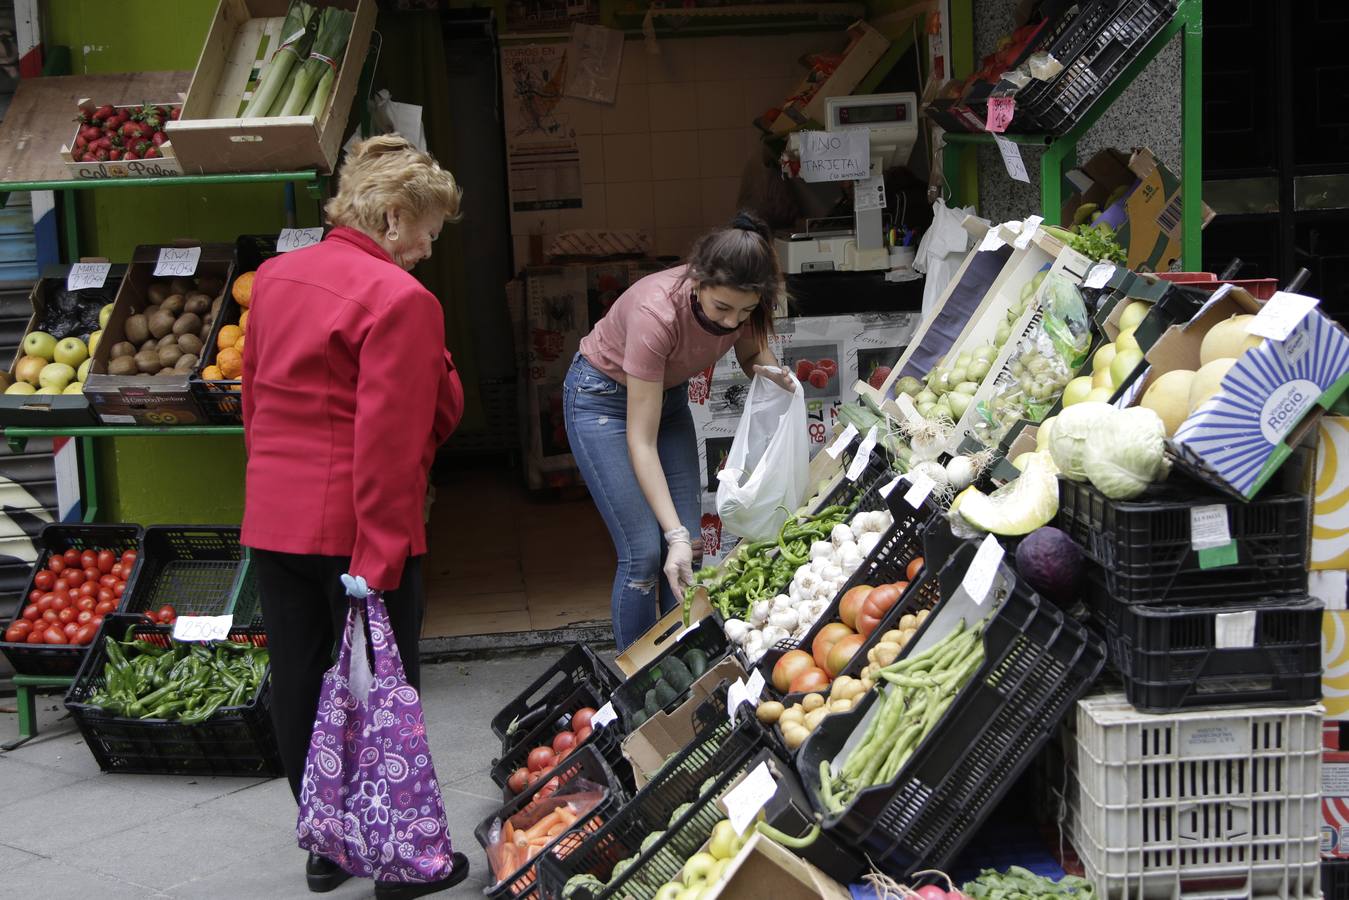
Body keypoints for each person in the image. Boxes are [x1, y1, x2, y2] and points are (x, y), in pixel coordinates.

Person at [241, 135, 470, 898]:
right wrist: (380, 553)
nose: (428, 251)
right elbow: (391, 440)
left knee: (302, 677)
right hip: (356, 526)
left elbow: (254, 401)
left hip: (276, 515)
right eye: (429, 232)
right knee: (377, 689)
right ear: (397, 216)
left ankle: (326, 844)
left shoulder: (274, 277)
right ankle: (397, 856)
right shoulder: (400, 300)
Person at [564, 211, 793, 650]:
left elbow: (751, 356)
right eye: (722, 307)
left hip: (665, 400)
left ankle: (678, 670)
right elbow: (640, 440)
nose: (731, 322)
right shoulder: (658, 312)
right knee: (646, 553)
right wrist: (673, 533)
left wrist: (776, 379)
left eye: (743, 311)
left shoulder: (748, 304)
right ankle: (635, 681)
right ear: (698, 280)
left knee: (689, 554)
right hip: (602, 402)